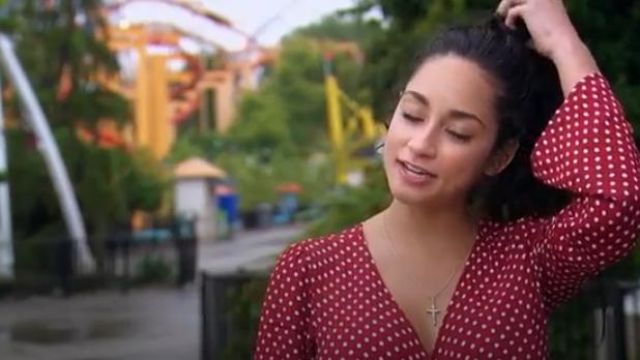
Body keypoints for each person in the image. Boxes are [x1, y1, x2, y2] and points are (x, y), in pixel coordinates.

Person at [254, 0, 640, 358]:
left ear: (499, 155)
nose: (421, 144)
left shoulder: (528, 260)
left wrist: (563, 44)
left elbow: (618, 202)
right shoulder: (308, 270)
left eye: (457, 132)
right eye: (413, 115)